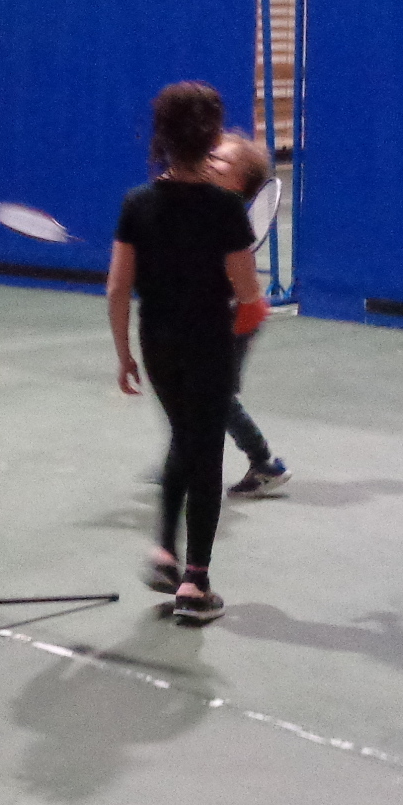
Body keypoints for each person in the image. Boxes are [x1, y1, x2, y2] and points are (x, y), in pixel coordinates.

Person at [108, 83, 268, 623]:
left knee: (184, 435)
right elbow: (246, 291)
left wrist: (124, 355)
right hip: (208, 344)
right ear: (211, 137)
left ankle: (163, 551)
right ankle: (195, 583)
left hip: (157, 345)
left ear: (162, 136)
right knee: (206, 455)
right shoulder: (226, 208)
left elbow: (118, 289)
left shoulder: (137, 203)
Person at [207, 133, 291, 499]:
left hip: (238, 319)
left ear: (239, 183)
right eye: (211, 155)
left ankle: (264, 463)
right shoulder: (205, 209)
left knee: (215, 395)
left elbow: (235, 285)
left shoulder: (226, 221)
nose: (211, 162)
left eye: (222, 162)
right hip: (221, 315)